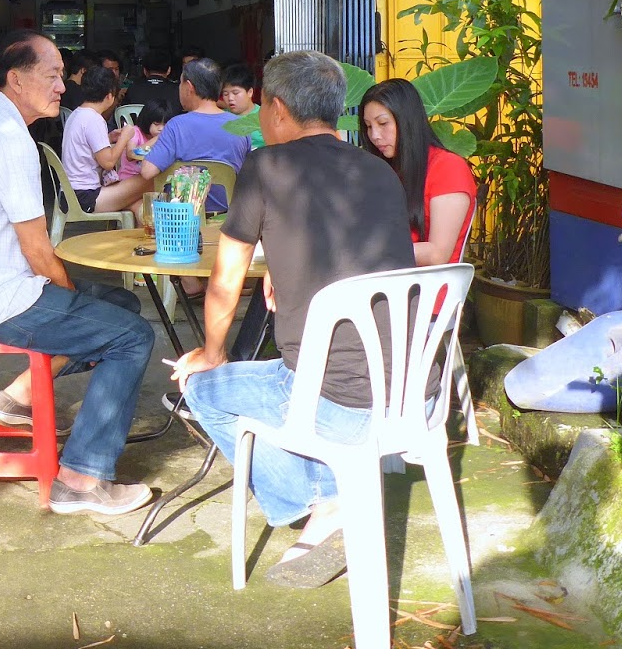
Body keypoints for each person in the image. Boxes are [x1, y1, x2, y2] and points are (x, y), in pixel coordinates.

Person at [171, 52, 416, 588]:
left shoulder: (267, 166)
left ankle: (321, 503)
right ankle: (330, 496)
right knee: (279, 379)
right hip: (406, 395)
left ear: (277, 108)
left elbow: (225, 280)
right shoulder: (379, 171)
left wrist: (210, 354)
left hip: (332, 401)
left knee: (202, 386)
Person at [0, 30, 156, 517]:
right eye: (52, 76)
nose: (61, 86)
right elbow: (37, 250)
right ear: (15, 79)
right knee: (132, 336)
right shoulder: (7, 139)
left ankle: (18, 398)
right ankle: (81, 479)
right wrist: (71, 300)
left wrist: (76, 304)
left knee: (121, 304)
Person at [359, 79, 476, 266]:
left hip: (426, 288)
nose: (375, 135)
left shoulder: (448, 167)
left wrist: (365, 250)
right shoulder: (387, 168)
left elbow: (437, 254)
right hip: (386, 278)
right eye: (368, 126)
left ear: (408, 121)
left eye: (382, 123)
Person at [139, 58, 251, 214]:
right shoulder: (241, 126)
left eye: (180, 83)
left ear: (189, 87)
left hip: (183, 217)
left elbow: (147, 172)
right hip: (229, 216)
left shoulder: (176, 126)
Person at [59, 66, 150, 215]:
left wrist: (109, 137)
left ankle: (134, 221)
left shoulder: (77, 113)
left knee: (136, 202)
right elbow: (108, 163)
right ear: (110, 96)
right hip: (85, 197)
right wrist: (126, 137)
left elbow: (84, 146)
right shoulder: (94, 119)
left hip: (70, 194)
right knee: (151, 178)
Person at [117, 97, 175, 181]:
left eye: (165, 125)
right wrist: (156, 139)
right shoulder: (135, 132)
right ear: (147, 120)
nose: (161, 129)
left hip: (150, 179)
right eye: (156, 124)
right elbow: (130, 154)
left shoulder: (166, 138)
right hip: (129, 178)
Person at [125, 48, 181, 113]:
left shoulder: (133, 88)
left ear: (144, 71)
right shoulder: (178, 90)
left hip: (138, 123)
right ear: (169, 70)